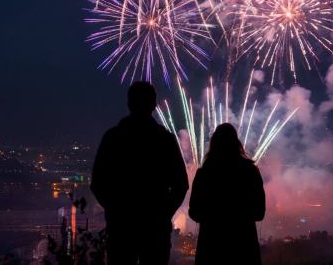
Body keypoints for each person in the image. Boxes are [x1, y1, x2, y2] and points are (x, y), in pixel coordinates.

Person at [91, 81, 189, 265]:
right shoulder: (165, 140)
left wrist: (114, 208)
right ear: (154, 105)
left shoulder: (113, 138)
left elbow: (97, 183)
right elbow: (181, 184)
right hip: (155, 228)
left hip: (121, 226)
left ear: (129, 103)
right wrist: (164, 212)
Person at [189, 123, 266, 265]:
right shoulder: (251, 172)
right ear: (236, 143)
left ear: (214, 143)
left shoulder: (204, 173)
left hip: (211, 248)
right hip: (244, 248)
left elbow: (194, 212)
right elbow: (259, 213)